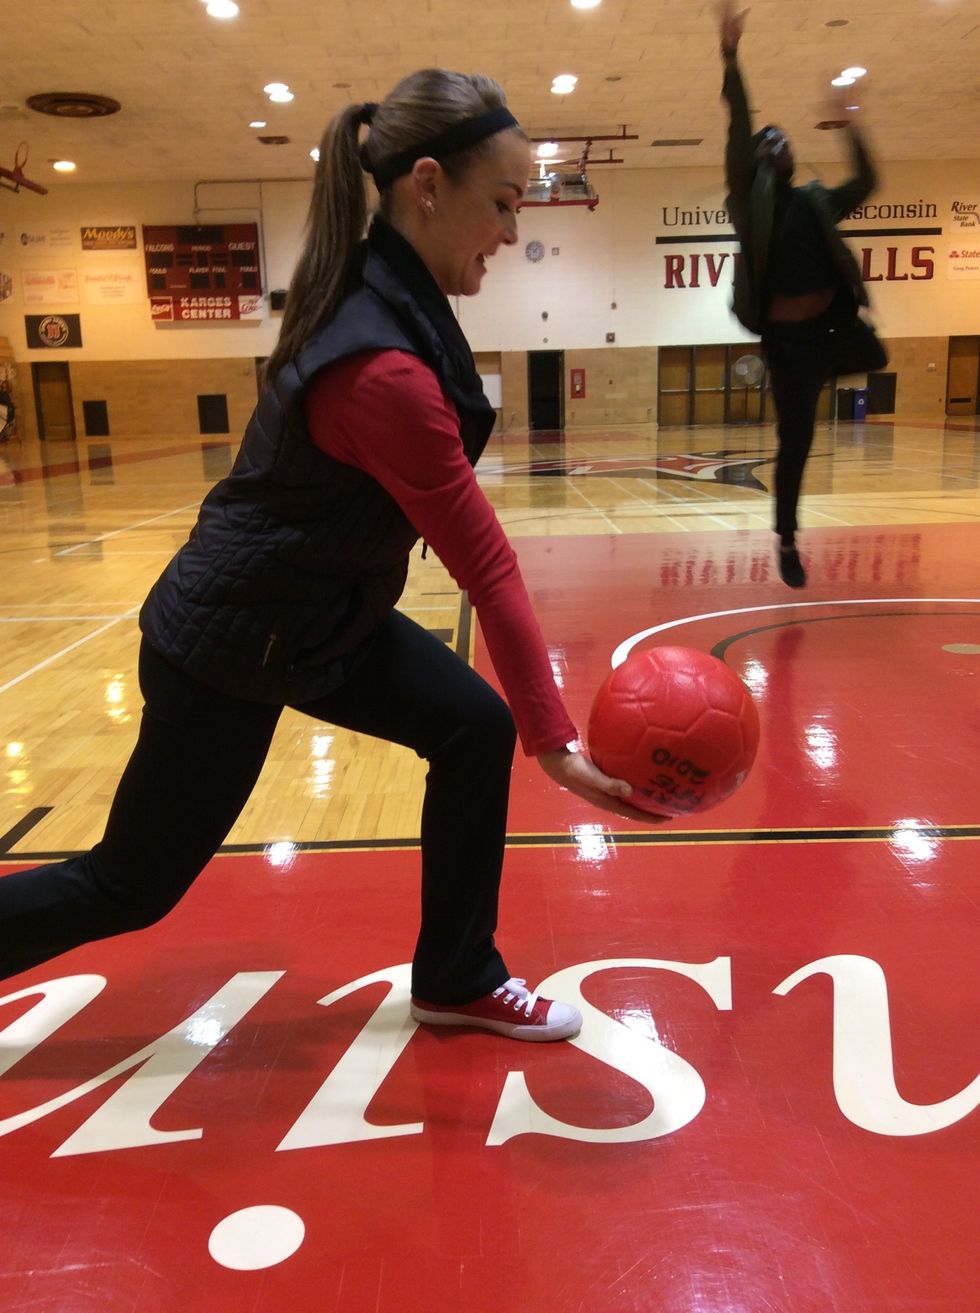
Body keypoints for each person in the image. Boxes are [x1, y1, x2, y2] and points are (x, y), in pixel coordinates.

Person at [0, 68, 658, 1041]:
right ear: (427, 186)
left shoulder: (385, 298)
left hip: (318, 621)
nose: (511, 233)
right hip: (226, 645)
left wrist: (526, 730)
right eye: (504, 204)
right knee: (129, 883)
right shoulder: (381, 368)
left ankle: (454, 975)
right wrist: (557, 746)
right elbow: (487, 567)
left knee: (471, 728)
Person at [719, 5, 887, 588]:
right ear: (763, 160)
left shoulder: (815, 201)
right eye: (772, 140)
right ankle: (786, 539)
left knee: (880, 358)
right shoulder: (749, 205)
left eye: (784, 138)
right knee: (796, 444)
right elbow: (739, 127)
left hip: (832, 335)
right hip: (789, 347)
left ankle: (822, 374)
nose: (779, 142)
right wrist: (731, 55)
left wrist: (853, 125)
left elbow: (866, 184)